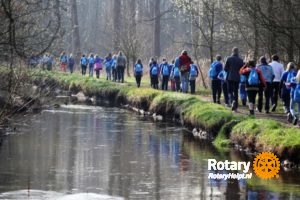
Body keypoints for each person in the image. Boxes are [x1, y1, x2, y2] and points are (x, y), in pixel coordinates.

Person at [224, 47, 244, 112]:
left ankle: (232, 101)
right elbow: (242, 70)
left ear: (232, 51)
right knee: (236, 91)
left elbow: (225, 69)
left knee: (230, 91)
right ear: (238, 52)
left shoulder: (229, 59)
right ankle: (235, 107)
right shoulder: (241, 60)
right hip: (237, 78)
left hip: (229, 78)